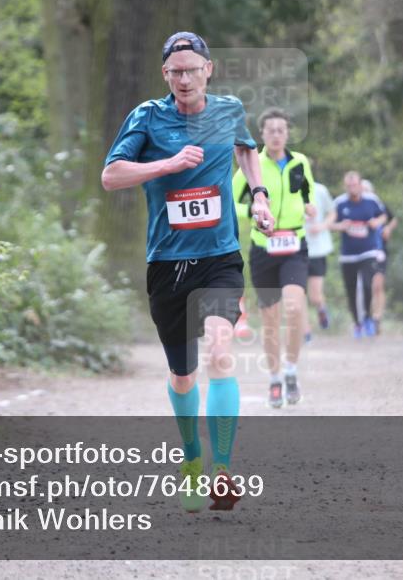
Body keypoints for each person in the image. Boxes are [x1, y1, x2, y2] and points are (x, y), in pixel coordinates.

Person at [101, 32, 274, 512]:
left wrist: (258, 196)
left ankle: (221, 470)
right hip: (166, 264)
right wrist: (167, 164)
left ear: (208, 70)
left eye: (191, 69)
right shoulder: (147, 118)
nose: (183, 78)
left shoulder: (228, 110)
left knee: (221, 352)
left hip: (219, 257)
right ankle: (191, 458)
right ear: (165, 75)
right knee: (183, 375)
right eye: (175, 71)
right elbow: (111, 175)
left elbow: (246, 150)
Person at [232, 108, 315, 408]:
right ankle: (275, 378)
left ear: (287, 133)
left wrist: (311, 207)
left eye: (282, 130)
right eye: (271, 130)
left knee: (294, 308)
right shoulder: (252, 166)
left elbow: (308, 194)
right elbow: (231, 202)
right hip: (263, 248)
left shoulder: (300, 161)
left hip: (294, 244)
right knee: (270, 320)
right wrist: (253, 213)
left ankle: (291, 369)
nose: (277, 135)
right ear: (262, 135)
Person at [330, 171, 396, 338]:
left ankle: (367, 318)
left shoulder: (372, 201)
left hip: (369, 250)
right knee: (351, 290)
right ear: (345, 186)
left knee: (368, 285)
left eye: (355, 184)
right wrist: (340, 226)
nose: (352, 187)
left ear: (360, 184)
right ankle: (357, 323)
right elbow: (329, 223)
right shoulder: (339, 203)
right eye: (349, 185)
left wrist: (378, 223)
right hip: (348, 254)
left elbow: (385, 215)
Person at [304, 163, 334, 340]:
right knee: (297, 294)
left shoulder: (320, 190)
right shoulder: (287, 189)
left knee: (315, 295)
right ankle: (305, 331)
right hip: (295, 248)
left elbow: (333, 213)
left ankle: (321, 309)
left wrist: (322, 226)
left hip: (317, 249)